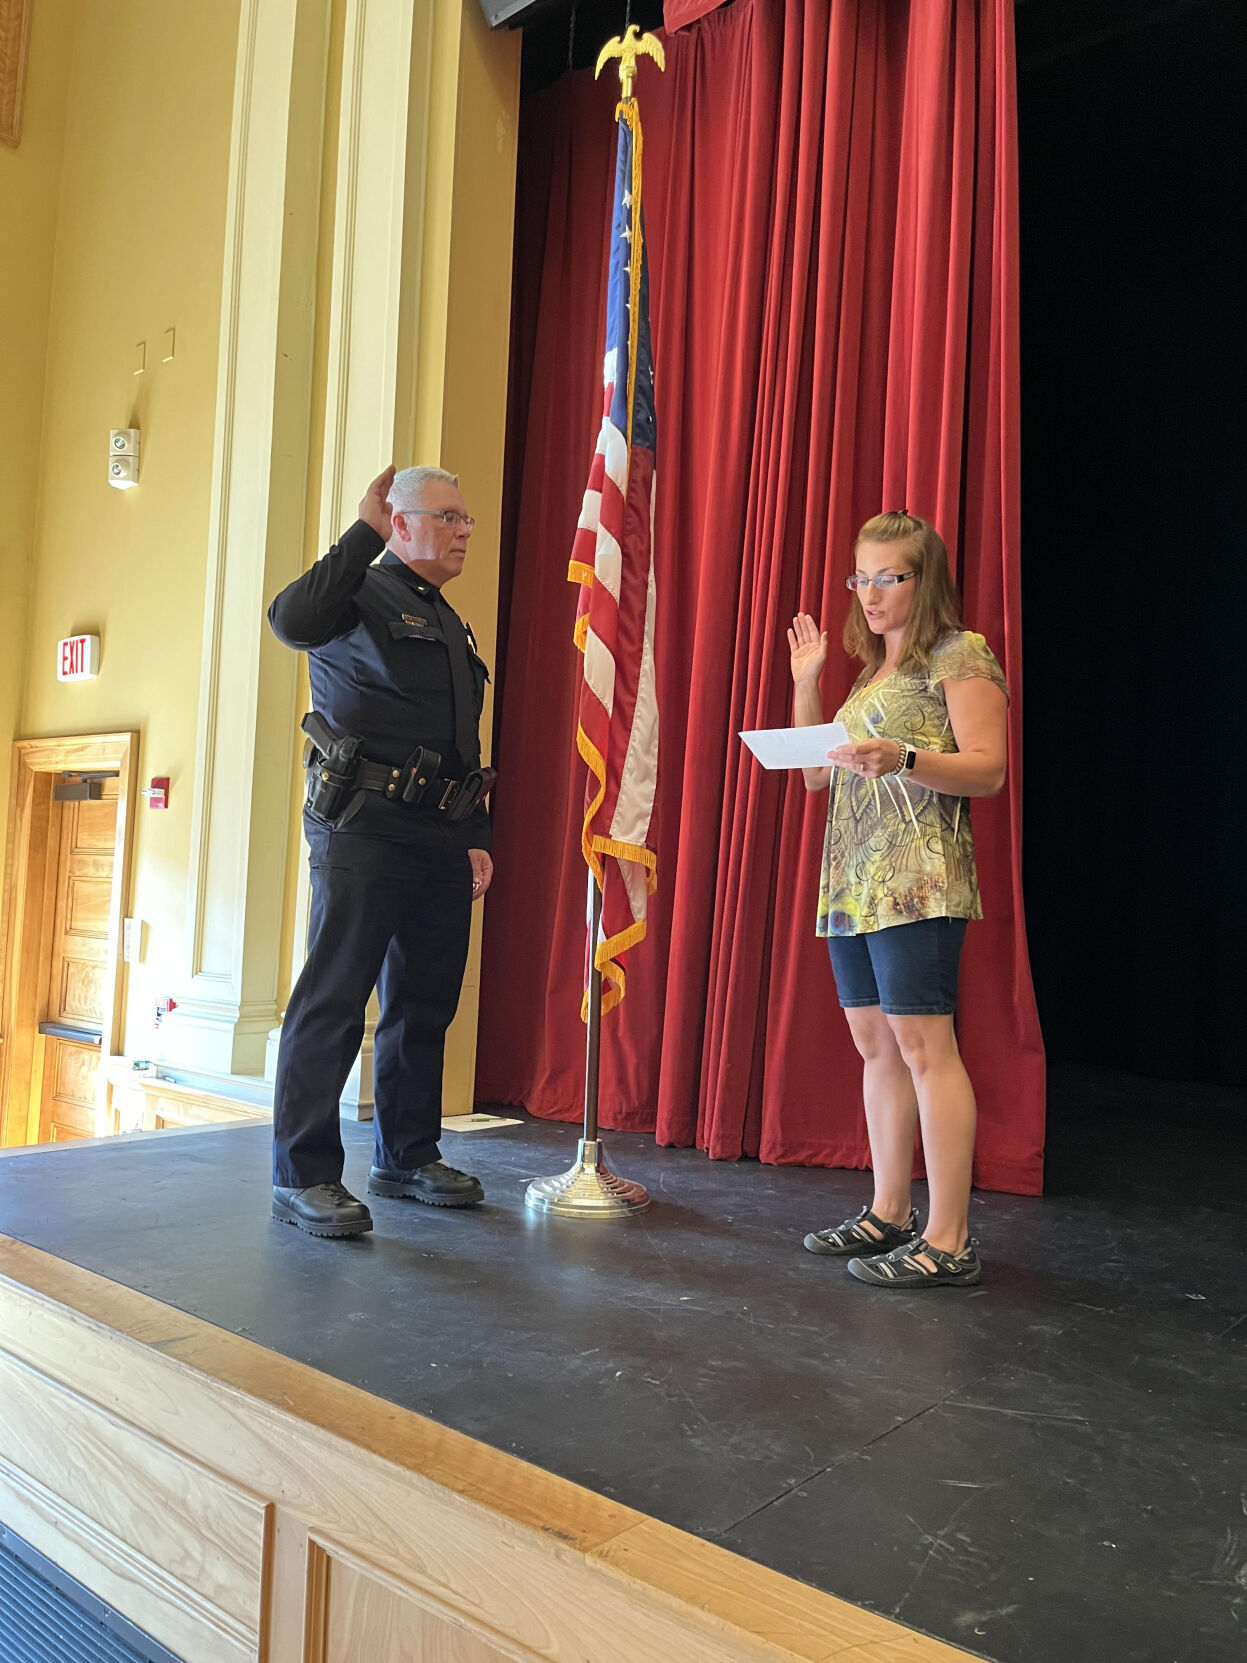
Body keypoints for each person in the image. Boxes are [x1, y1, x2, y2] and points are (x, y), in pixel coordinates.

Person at [266, 465, 494, 1237]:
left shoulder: (449, 621)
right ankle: (302, 1174)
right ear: (400, 524)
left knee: (423, 1002)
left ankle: (405, 1154)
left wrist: (475, 836)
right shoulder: (355, 592)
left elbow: (462, 743)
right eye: (449, 516)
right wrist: (359, 533)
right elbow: (289, 618)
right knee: (332, 1000)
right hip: (362, 824)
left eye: (466, 518)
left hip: (438, 833)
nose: (466, 530)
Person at [788, 510, 1008, 1288]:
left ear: (925, 579)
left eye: (891, 576)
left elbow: (986, 769)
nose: (872, 593)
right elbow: (817, 774)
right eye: (862, 577)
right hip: (851, 880)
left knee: (923, 1047)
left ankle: (948, 1238)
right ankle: (889, 1211)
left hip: (916, 879)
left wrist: (905, 753)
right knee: (874, 1045)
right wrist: (807, 681)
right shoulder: (864, 675)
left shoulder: (957, 652)